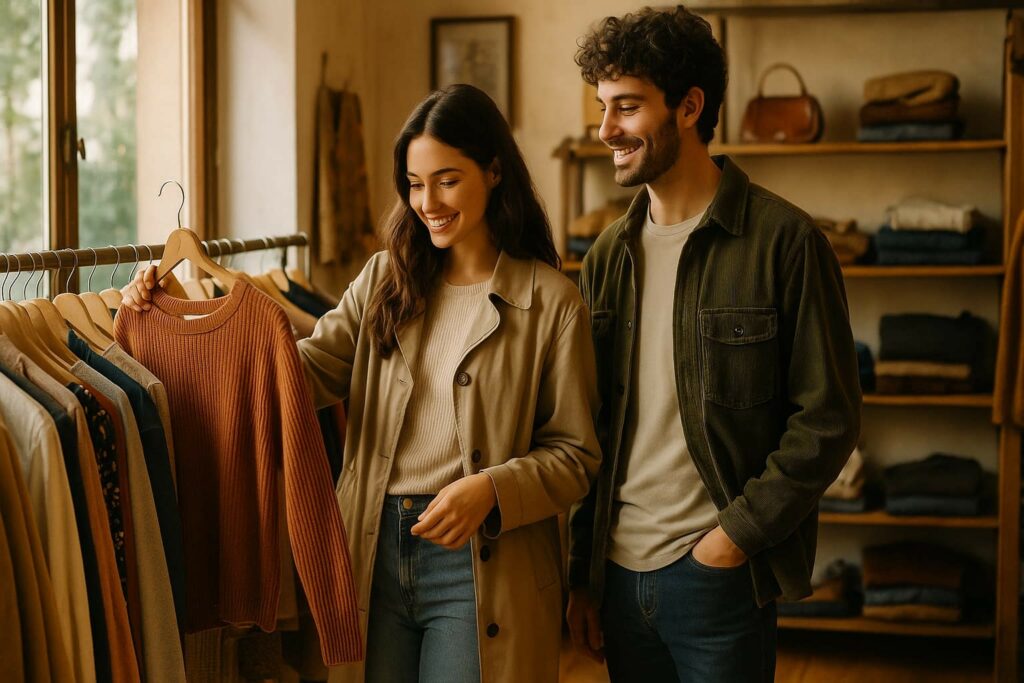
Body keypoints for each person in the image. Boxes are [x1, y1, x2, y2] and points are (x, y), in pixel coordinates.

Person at [122, 84, 601, 683]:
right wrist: (178, 321)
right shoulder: (385, 278)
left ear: (495, 170)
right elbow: (301, 373)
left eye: (447, 180)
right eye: (415, 183)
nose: (428, 202)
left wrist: (491, 490)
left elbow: (576, 455)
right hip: (369, 549)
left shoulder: (552, 302)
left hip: (481, 563)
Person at [565, 6, 862, 682]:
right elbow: (589, 426)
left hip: (715, 579)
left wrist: (732, 539)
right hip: (615, 575)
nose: (606, 129)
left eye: (627, 106)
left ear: (690, 106)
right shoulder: (607, 255)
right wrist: (582, 574)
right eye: (603, 107)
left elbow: (829, 417)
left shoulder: (785, 241)